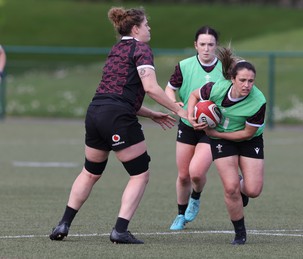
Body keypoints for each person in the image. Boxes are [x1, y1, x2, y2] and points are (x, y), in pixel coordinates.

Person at [49, 6, 186, 244]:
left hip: (95, 113)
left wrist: (152, 114)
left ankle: (63, 223)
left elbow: (116, 95)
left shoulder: (116, 49)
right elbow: (151, 88)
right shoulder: (141, 48)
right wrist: (178, 109)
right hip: (116, 117)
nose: (149, 28)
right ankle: (120, 230)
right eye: (146, 25)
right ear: (135, 29)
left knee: (90, 172)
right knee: (140, 174)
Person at [187, 46, 266, 245]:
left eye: (251, 81)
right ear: (232, 79)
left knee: (253, 190)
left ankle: (242, 187)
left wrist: (216, 132)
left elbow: (247, 133)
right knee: (230, 188)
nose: (247, 85)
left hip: (249, 139)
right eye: (242, 80)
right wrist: (191, 117)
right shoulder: (217, 88)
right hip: (221, 140)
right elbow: (194, 96)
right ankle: (240, 233)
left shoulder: (258, 101)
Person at [165, 26, 223, 230]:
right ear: (195, 45)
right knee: (183, 175)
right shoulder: (184, 65)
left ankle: (195, 198)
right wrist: (175, 104)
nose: (206, 49)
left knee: (196, 173)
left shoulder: (226, 67)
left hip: (212, 129)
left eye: (211, 44)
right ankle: (180, 215)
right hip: (188, 125)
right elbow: (169, 89)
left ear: (216, 46)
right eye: (202, 44)